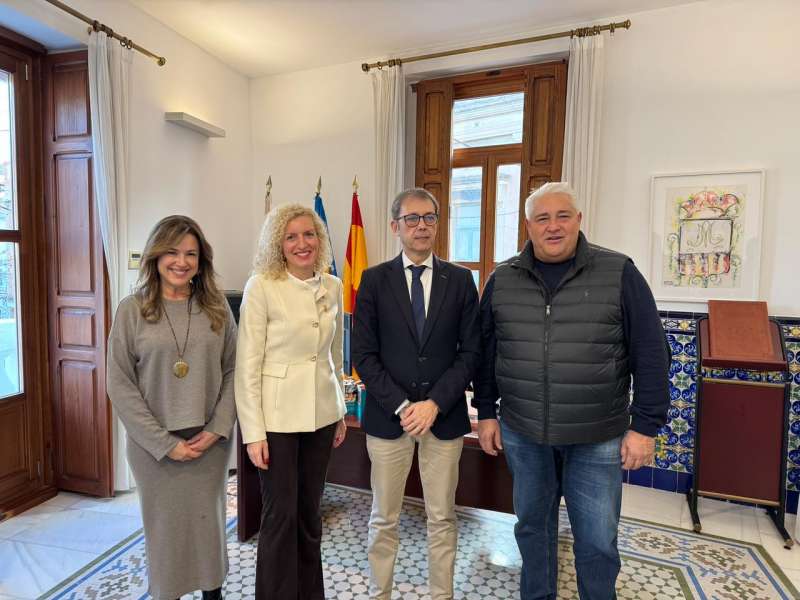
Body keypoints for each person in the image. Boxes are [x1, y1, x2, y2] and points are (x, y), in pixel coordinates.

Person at [474, 181, 670, 599]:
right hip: (525, 433)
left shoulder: (619, 272)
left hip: (596, 436)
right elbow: (486, 352)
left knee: (597, 541)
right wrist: (486, 411)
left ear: (579, 220)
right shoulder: (503, 279)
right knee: (532, 529)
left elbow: (652, 352)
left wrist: (645, 427)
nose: (553, 226)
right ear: (528, 226)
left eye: (563, 216)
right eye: (542, 218)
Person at [352, 187, 481, 600]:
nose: (421, 226)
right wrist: (404, 405)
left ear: (438, 224)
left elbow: (471, 353)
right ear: (396, 226)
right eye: (412, 218)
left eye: (429, 217)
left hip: (444, 419)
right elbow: (363, 355)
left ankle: (442, 595)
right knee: (383, 519)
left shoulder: (460, 281)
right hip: (389, 418)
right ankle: (379, 594)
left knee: (442, 518)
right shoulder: (373, 280)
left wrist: (435, 404)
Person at [107, 215, 237, 600]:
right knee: (165, 536)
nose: (181, 262)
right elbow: (119, 384)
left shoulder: (216, 307)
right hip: (154, 451)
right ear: (156, 255)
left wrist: (216, 428)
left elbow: (235, 370)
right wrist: (164, 443)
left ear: (201, 261)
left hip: (208, 445)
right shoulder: (131, 310)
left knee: (208, 530)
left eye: (191, 254)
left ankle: (213, 594)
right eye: (172, 252)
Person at [235, 203, 347, 600]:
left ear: (320, 238)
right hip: (277, 421)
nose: (303, 243)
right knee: (280, 517)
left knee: (310, 514)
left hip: (322, 416)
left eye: (309, 234)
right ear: (278, 244)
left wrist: (339, 411)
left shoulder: (332, 285)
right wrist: (253, 433)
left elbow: (334, 354)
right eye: (291, 236)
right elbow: (247, 365)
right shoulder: (262, 286)